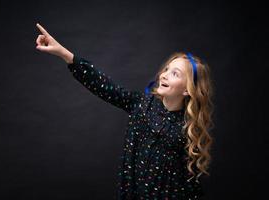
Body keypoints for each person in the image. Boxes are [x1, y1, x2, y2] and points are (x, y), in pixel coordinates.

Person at [35, 23, 214, 200]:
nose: (164, 75)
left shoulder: (186, 128)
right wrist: (64, 54)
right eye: (166, 69)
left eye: (175, 73)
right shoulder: (142, 105)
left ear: (187, 90)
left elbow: (189, 184)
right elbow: (105, 87)